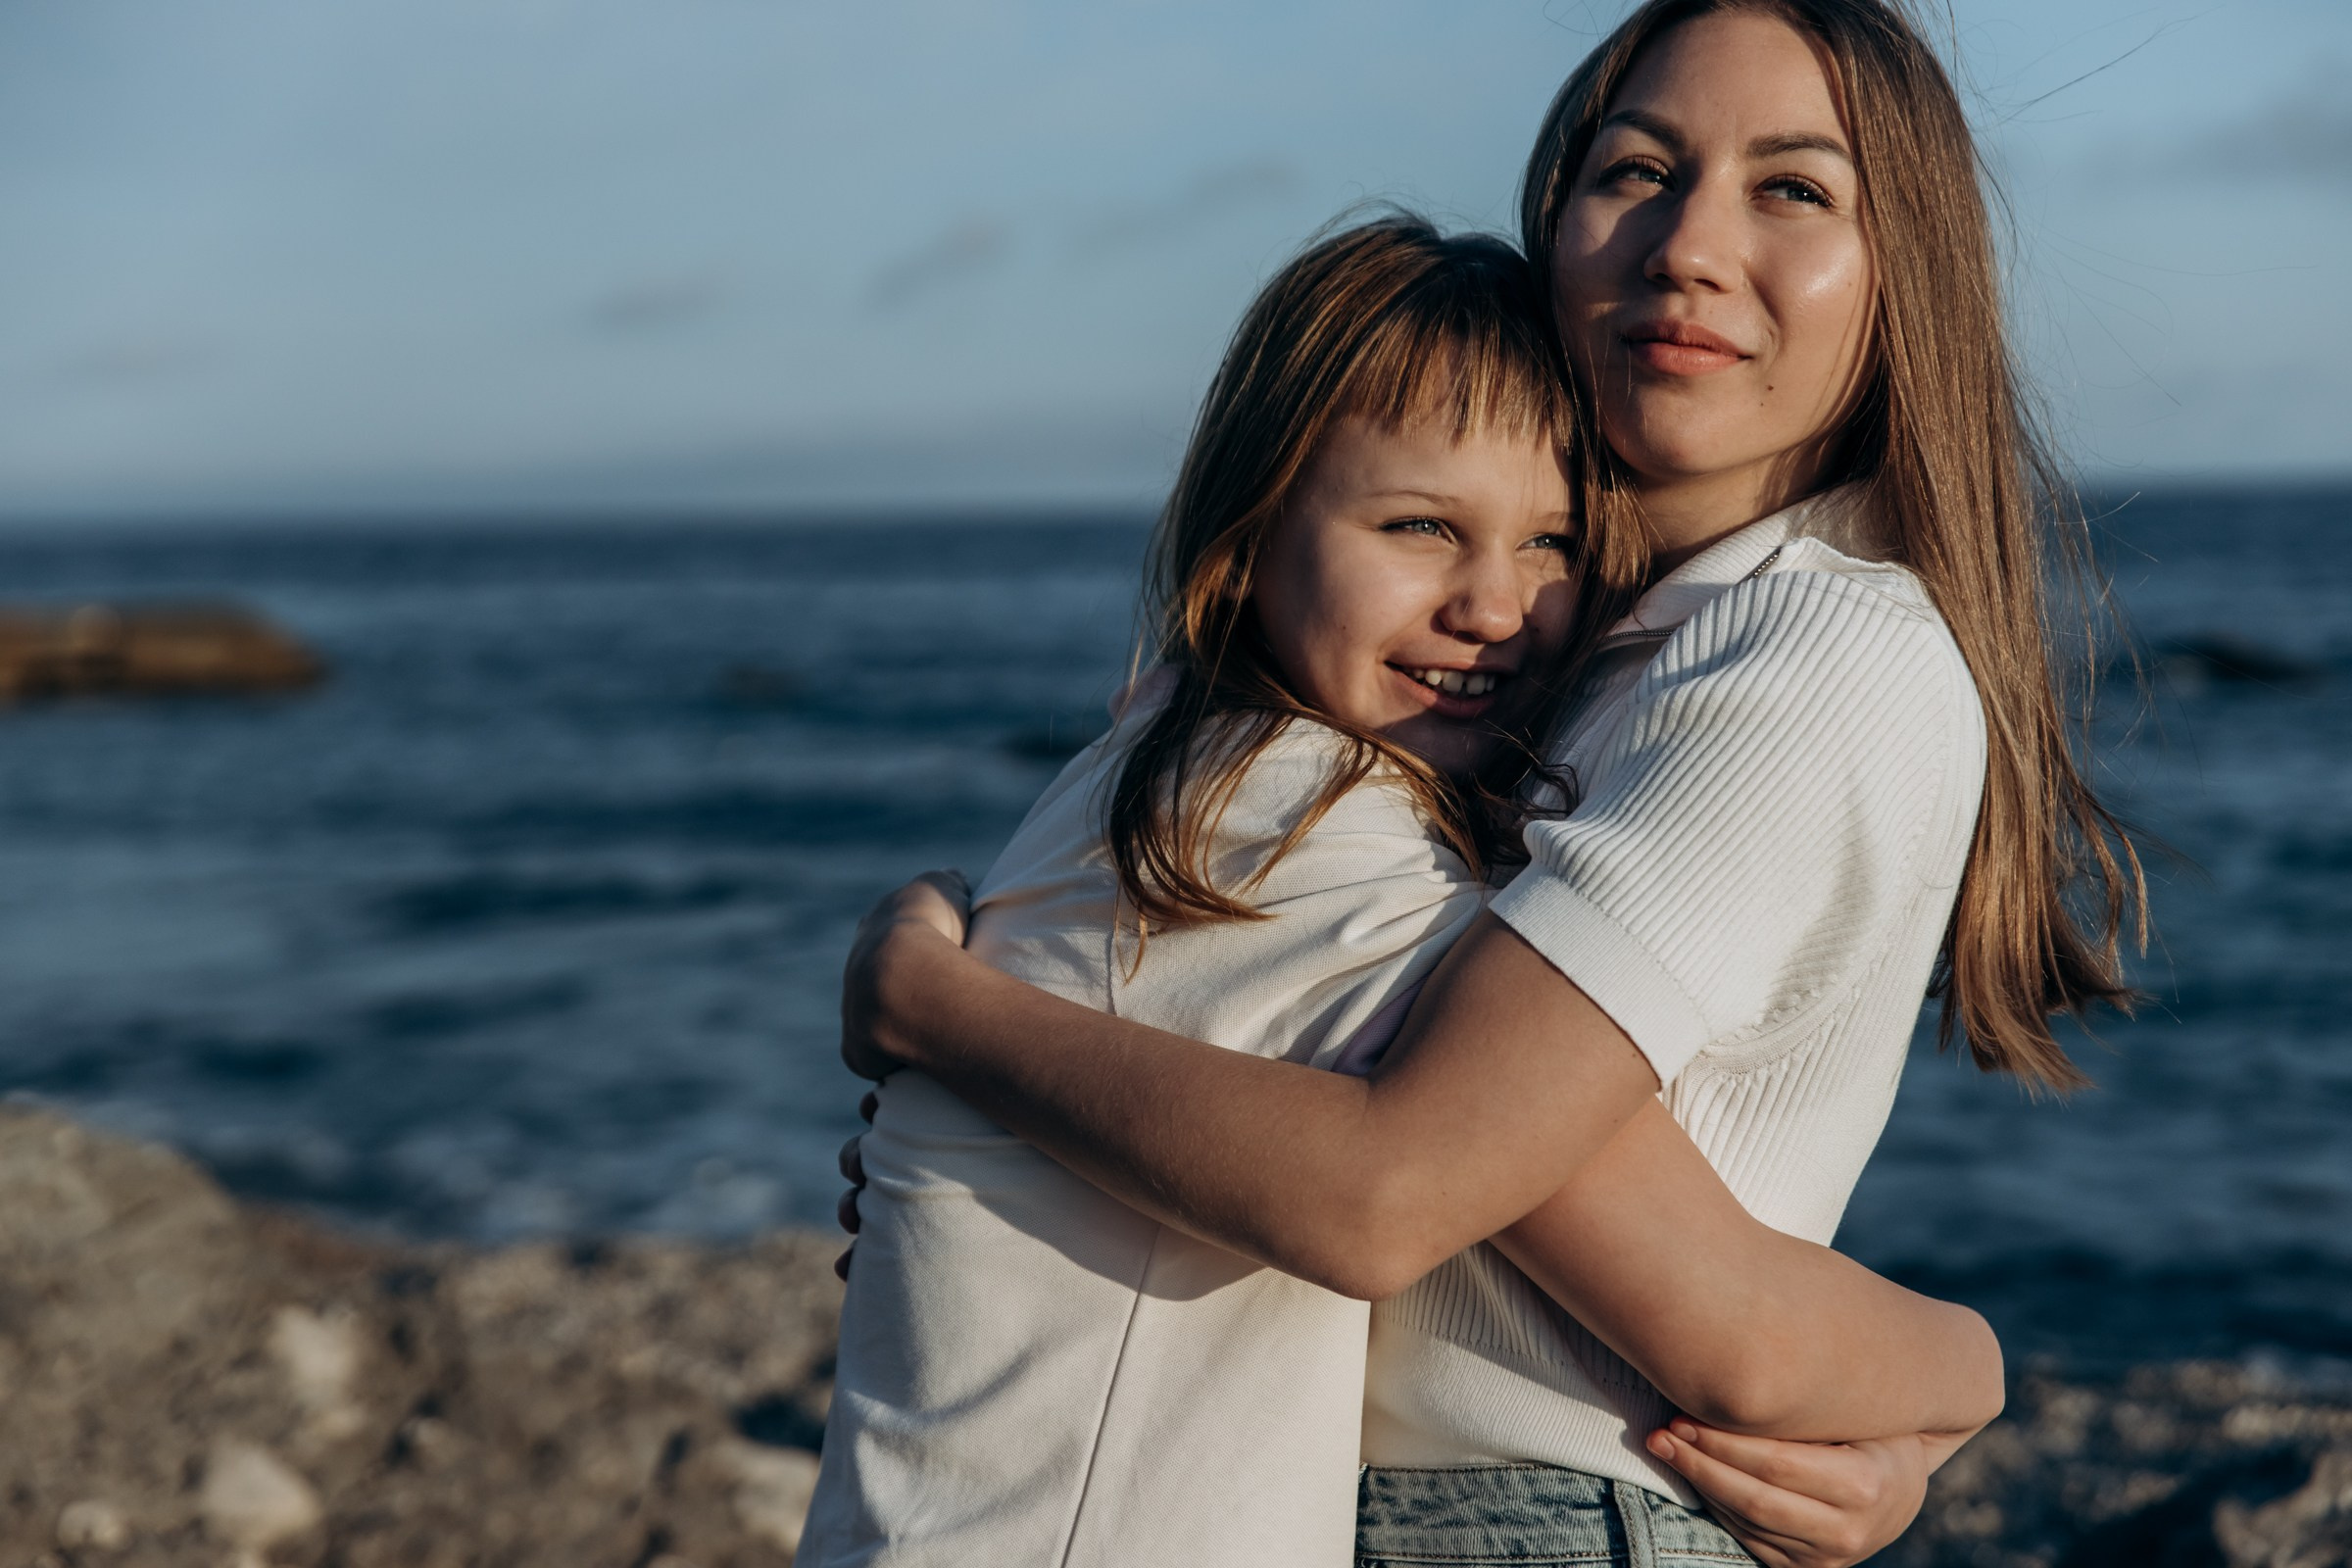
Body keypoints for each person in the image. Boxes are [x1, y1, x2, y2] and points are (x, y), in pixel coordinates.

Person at [839, 2, 2144, 1563]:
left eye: (1793, 188)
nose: (1687, 243)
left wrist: (940, 1013)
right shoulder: (1567, 656)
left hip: (1525, 1514)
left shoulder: (1806, 657)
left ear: (1905, 274)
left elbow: (1403, 1183)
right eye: (1640, 170)